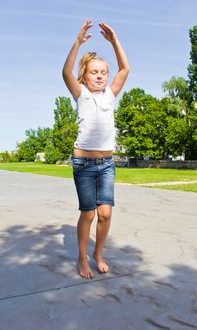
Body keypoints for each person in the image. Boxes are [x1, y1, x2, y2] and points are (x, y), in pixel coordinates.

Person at [62, 19, 129, 279]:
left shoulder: (110, 95)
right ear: (84, 76)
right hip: (84, 164)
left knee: (106, 212)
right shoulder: (81, 94)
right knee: (88, 213)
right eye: (94, 72)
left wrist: (114, 41)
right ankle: (81, 257)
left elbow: (125, 69)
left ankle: (98, 253)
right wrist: (78, 43)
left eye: (103, 72)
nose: (99, 76)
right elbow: (65, 72)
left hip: (107, 164)